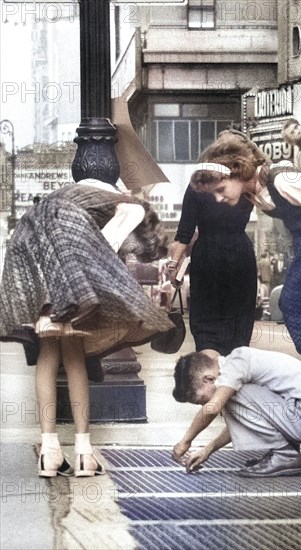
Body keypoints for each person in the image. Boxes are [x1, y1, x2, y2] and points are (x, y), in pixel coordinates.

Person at [185, 131, 301, 468]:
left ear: (238, 170)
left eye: (222, 190)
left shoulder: (285, 178)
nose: (221, 199)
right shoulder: (256, 191)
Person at [0, 178, 173, 478]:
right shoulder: (132, 209)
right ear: (145, 235)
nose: (133, 256)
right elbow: (102, 248)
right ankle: (82, 452)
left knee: (49, 350)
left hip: (29, 243)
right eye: (138, 251)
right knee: (74, 351)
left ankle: (49, 452)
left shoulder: (91, 194)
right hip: (60, 246)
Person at [172, 348, 301, 477]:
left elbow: (213, 408)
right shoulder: (235, 366)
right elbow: (247, 416)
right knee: (230, 396)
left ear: (208, 378)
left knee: (229, 396)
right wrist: (208, 449)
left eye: (202, 400)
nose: (205, 405)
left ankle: (285, 455)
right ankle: (285, 453)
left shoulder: (235, 365)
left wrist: (185, 441)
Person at [168, 137, 257, 356]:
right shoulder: (245, 185)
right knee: (239, 322)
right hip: (241, 253)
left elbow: (184, 233)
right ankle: (234, 377)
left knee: (207, 322)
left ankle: (208, 371)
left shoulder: (198, 186)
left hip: (207, 255)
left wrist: (173, 266)